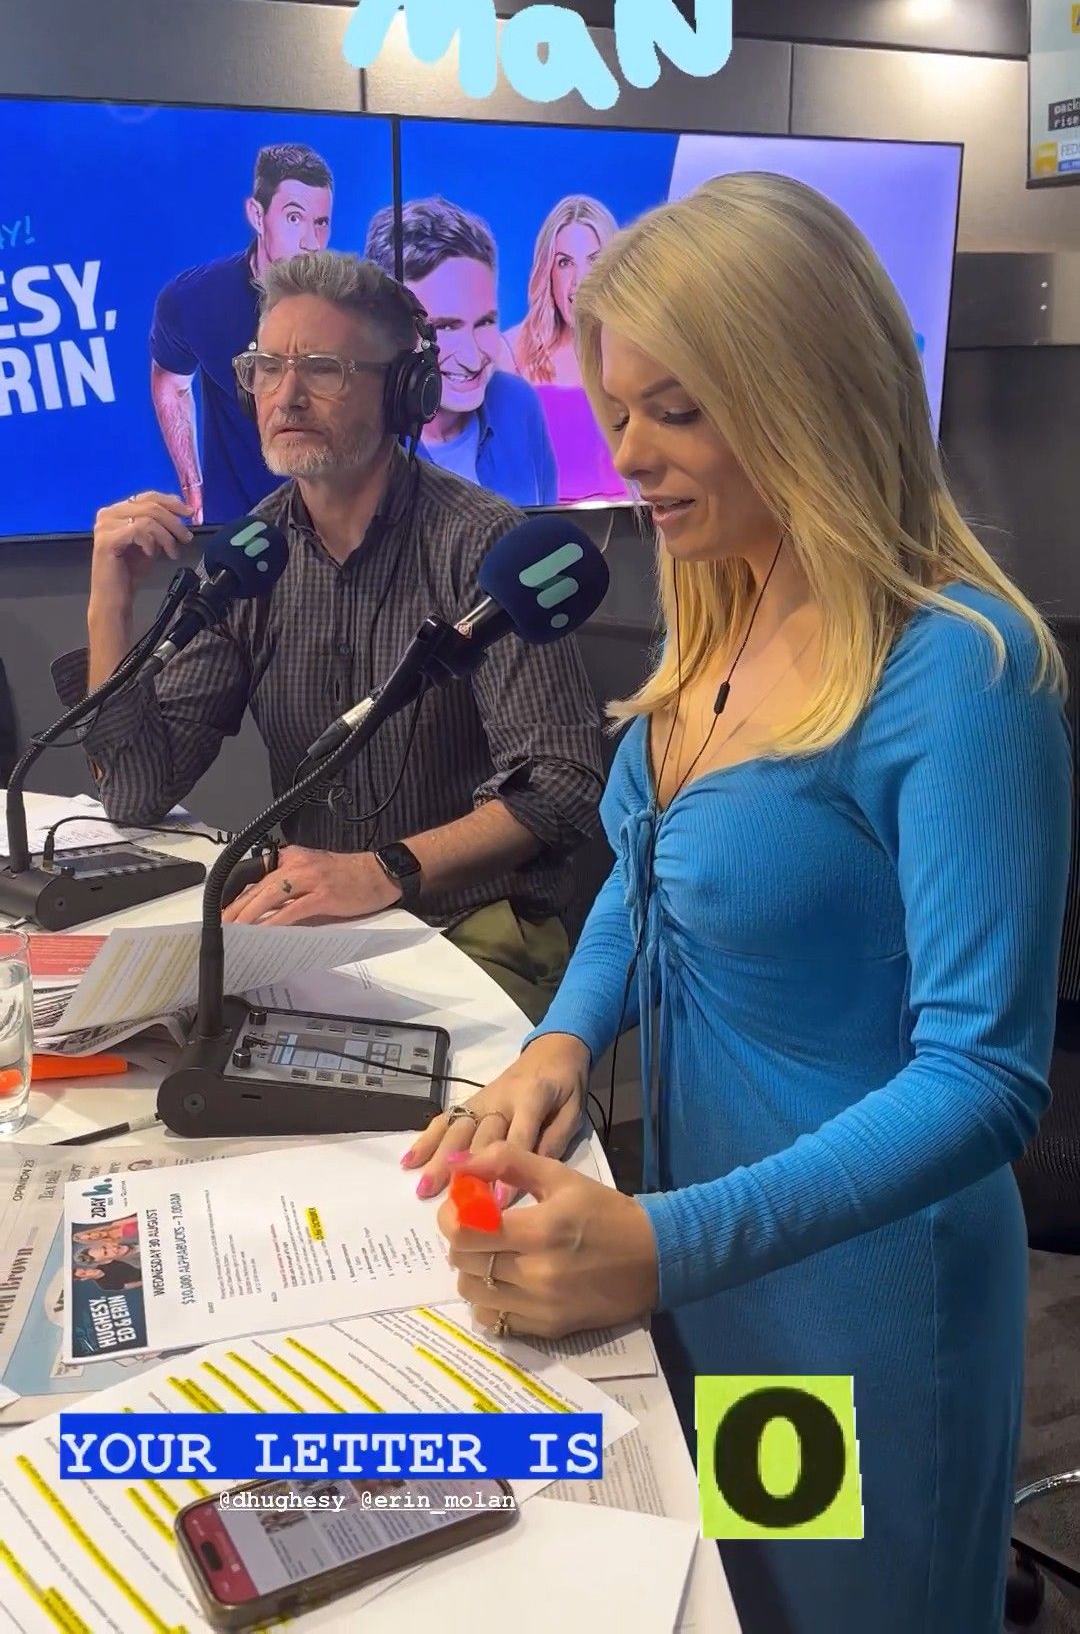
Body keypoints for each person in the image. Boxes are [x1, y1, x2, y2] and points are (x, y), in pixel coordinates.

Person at [406, 174, 1073, 1633]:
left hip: (861, 1292)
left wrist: (664, 1243)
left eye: (678, 410)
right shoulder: (723, 603)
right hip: (719, 1254)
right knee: (748, 1599)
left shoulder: (962, 673)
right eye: (617, 407)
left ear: (807, 394)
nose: (628, 452)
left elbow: (984, 1080)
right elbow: (642, 885)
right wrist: (562, 1044)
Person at [54, 250, 603, 1024]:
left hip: (472, 928)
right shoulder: (253, 555)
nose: (286, 395)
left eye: (321, 368)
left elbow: (561, 785)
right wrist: (109, 602)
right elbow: (138, 791)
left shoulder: (482, 543)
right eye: (266, 368)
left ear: (405, 390)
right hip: (314, 932)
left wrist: (385, 870)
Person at [149, 143, 334, 526]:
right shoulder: (195, 299)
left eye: (321, 222)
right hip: (238, 535)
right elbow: (171, 382)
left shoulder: (352, 307)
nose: (311, 243)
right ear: (257, 215)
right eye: (295, 218)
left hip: (336, 530)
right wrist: (191, 484)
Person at [365, 197, 557, 507]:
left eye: (485, 322)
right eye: (445, 327)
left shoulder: (518, 405)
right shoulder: (355, 442)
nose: (472, 358)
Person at [507, 195, 627, 505]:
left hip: (633, 526)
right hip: (543, 529)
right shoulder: (509, 352)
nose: (579, 281)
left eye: (594, 260)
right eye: (565, 263)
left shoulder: (643, 350)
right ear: (547, 271)